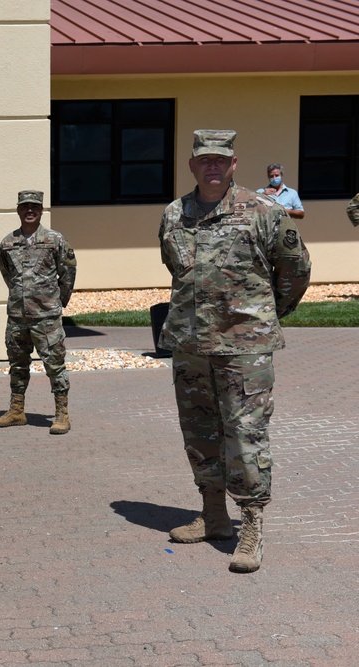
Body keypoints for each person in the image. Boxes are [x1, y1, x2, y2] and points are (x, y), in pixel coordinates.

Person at [158, 130, 310, 574]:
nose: (212, 166)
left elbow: (296, 268)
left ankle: (252, 526)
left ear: (234, 164)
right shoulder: (174, 214)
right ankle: (213, 515)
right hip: (191, 344)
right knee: (199, 432)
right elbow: (175, 268)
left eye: (220, 160)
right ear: (192, 165)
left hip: (245, 348)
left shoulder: (264, 211)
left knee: (246, 435)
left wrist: (265, 314)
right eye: (204, 159)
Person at [0, 190, 77, 434]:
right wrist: (21, 296)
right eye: (25, 206)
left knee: (55, 365)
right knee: (17, 365)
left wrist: (56, 302)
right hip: (17, 317)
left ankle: (61, 414)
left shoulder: (54, 239)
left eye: (35, 207)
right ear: (18, 209)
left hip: (46, 317)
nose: (30, 210)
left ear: (41, 210)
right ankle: (17, 411)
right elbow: (7, 273)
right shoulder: (8, 243)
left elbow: (68, 272)